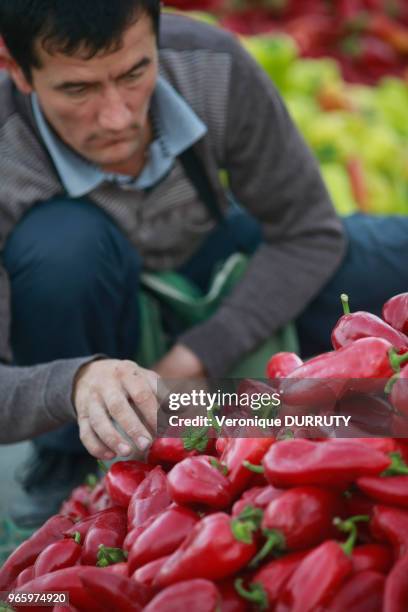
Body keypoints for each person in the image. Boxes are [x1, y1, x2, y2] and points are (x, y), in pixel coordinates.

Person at [0, 0, 405, 528]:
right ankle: (68, 457)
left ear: (154, 34)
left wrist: (195, 358)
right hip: (77, 302)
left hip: (209, 258)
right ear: (17, 69)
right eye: (78, 89)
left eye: (134, 72)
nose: (118, 116)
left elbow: (307, 230)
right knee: (63, 247)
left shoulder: (210, 62)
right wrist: (75, 383)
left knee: (393, 251)